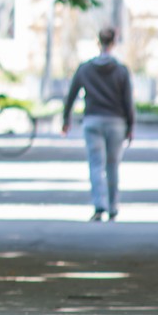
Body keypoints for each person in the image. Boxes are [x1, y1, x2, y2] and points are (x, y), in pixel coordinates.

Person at [62, 26, 135, 222]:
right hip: (116, 122)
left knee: (96, 165)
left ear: (98, 42)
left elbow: (71, 95)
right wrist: (130, 125)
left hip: (92, 120)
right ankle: (113, 207)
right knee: (112, 166)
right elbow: (128, 101)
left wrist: (65, 119)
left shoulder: (85, 69)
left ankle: (99, 206)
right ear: (114, 43)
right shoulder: (121, 70)